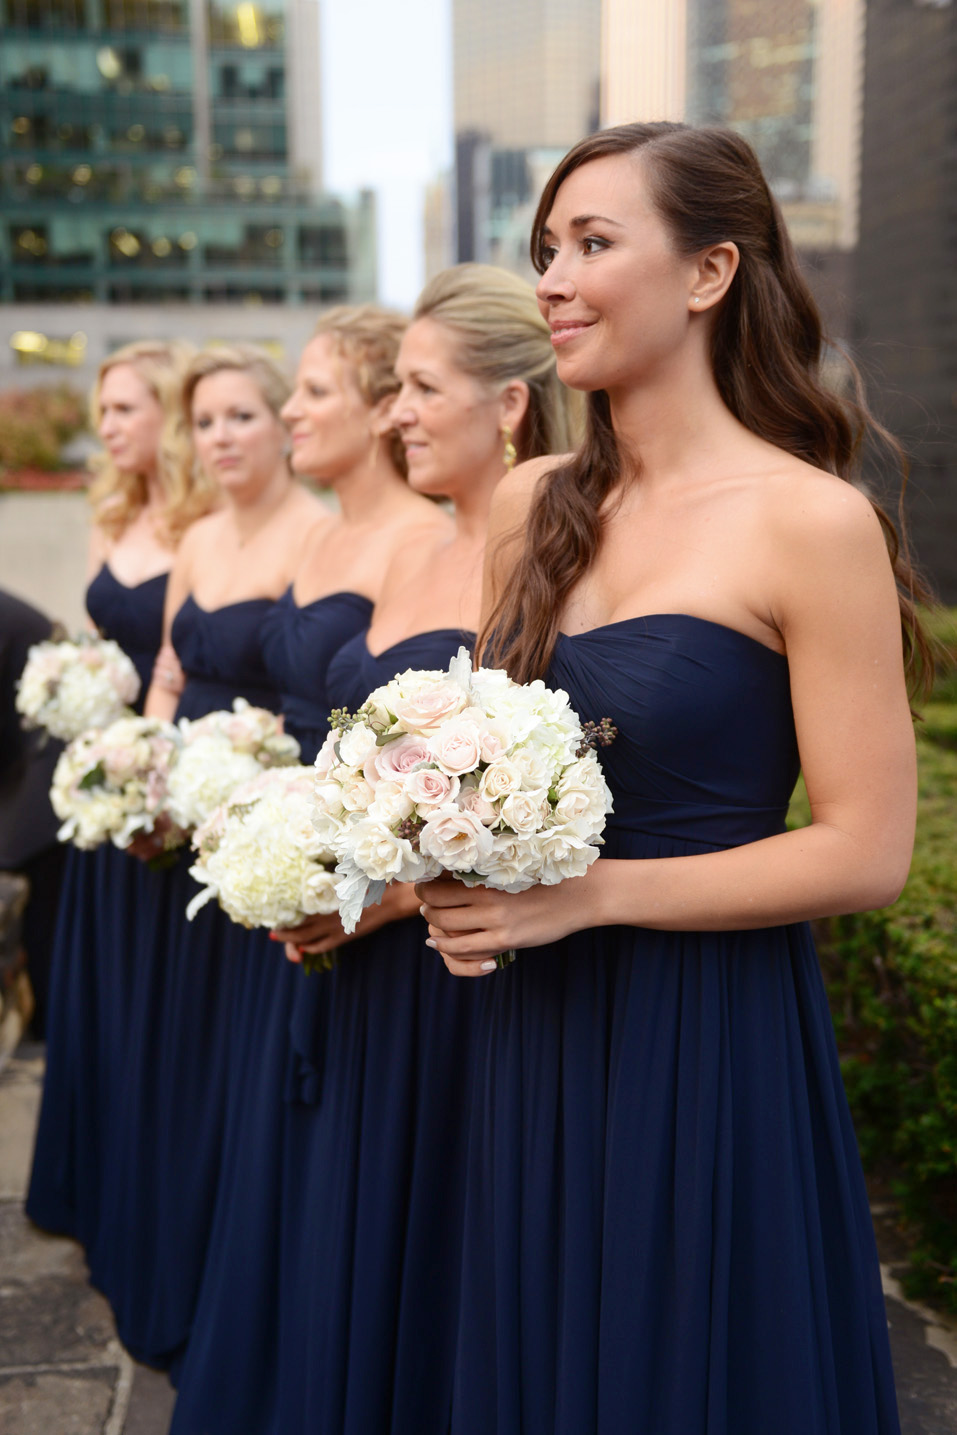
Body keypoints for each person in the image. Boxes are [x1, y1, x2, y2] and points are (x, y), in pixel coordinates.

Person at [419, 124, 928, 1434]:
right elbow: (473, 765)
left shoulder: (810, 519)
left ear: (707, 273)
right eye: (545, 249)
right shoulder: (529, 505)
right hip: (527, 1028)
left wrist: (590, 896)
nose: (552, 278)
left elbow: (865, 849)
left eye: (593, 243)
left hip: (704, 1035)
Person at [262, 265, 577, 1435]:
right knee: (361, 1216)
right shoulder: (403, 554)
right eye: (391, 390)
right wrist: (308, 851)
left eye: (418, 390)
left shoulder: (538, 548)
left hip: (453, 964)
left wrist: (393, 894)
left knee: (447, 1226)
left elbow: (540, 774)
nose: (396, 414)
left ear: (508, 405)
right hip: (363, 953)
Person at [167, 303, 451, 1433]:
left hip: (374, 895)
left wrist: (365, 878)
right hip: (290, 863)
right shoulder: (326, 538)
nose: (288, 412)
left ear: (386, 409)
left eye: (311, 391)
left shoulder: (417, 540)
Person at [92, 344, 326, 1370]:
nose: (220, 437)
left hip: (264, 827)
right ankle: (176, 1264)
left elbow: (312, 696)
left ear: (283, 424)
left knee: (247, 1075)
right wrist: (143, 772)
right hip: (185, 832)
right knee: (182, 1065)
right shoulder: (195, 538)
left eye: (240, 415)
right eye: (206, 422)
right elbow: (169, 681)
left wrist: (253, 792)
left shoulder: (316, 538)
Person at [27, 339, 209, 1251]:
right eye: (101, 412)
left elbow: (185, 661)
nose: (106, 427)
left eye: (124, 409)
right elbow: (100, 638)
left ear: (167, 418)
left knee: (160, 991)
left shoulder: (201, 519)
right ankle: (95, 1182)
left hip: (174, 767)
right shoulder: (108, 512)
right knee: (94, 987)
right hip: (107, 769)